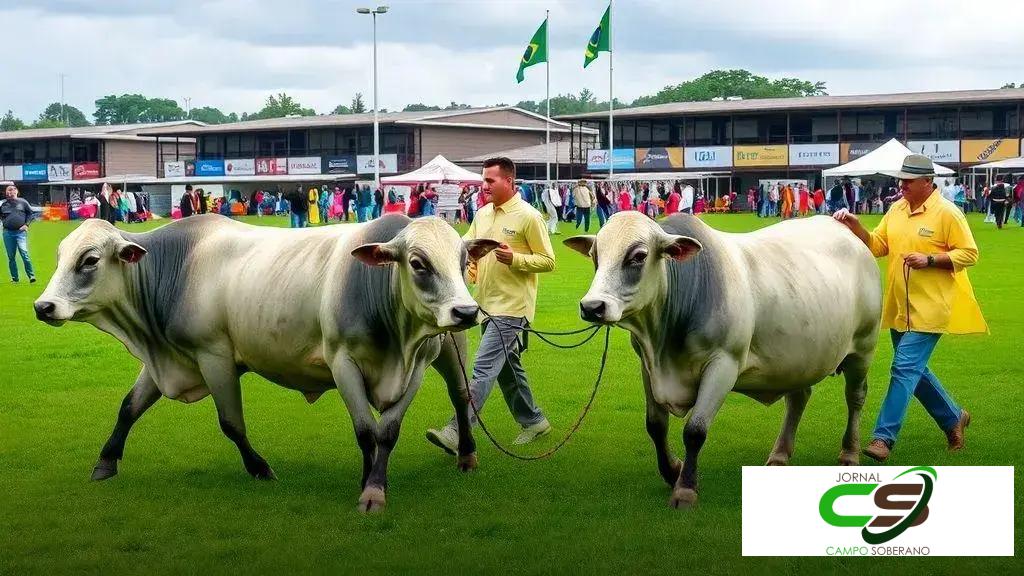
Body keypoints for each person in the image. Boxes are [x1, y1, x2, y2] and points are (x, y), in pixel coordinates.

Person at [833, 154, 984, 462]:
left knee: (903, 369)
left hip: (931, 308)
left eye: (909, 181)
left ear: (928, 182)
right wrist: (856, 226)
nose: (902, 185)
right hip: (900, 308)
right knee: (916, 371)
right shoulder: (897, 209)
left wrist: (930, 260)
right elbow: (878, 246)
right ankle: (954, 418)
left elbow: (969, 254)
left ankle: (882, 437)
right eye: (901, 180)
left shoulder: (947, 213)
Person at [425, 157, 555, 452]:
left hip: (512, 307)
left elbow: (548, 261)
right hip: (484, 304)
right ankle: (534, 420)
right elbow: (465, 247)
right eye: (483, 180)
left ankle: (457, 430)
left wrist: (517, 259)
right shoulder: (482, 214)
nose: (483, 186)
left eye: (489, 181)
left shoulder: (528, 217)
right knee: (508, 368)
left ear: (509, 181)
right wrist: (469, 261)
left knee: (483, 368)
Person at [2, 184, 36, 283]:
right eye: (8, 190)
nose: (10, 192)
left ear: (16, 191)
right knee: (11, 256)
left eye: (12, 190)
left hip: (20, 233)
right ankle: (15, 278)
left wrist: (26, 225)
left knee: (24, 253)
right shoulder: (3, 204)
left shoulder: (23, 202)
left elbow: (31, 214)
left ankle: (31, 276)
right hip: (7, 233)